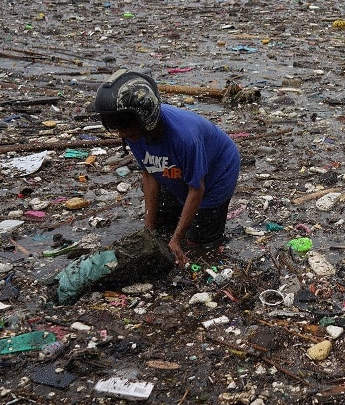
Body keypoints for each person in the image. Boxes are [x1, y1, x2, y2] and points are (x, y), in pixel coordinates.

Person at [91, 69, 240, 267]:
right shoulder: (134, 133)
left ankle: (204, 234)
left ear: (145, 118)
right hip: (174, 169)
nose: (122, 133)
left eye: (125, 128)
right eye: (117, 128)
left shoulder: (185, 138)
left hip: (218, 172)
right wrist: (148, 226)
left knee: (196, 243)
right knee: (162, 220)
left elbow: (197, 189)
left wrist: (177, 238)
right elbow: (149, 173)